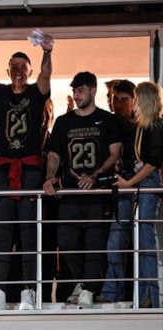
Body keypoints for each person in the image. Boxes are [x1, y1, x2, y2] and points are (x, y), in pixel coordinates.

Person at [0, 32, 54, 310]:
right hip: (3, 171)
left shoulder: (36, 93)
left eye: (23, 67)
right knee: (0, 232)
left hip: (30, 170)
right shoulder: (0, 93)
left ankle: (30, 291)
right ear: (7, 71)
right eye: (13, 67)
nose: (18, 71)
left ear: (29, 71)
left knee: (29, 232)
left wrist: (47, 52)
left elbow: (46, 75)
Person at [43, 71, 121, 307]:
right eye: (74, 91)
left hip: (96, 194)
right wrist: (50, 177)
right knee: (66, 240)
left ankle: (88, 288)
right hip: (70, 192)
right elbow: (54, 154)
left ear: (93, 90)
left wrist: (95, 176)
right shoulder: (64, 122)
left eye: (81, 90)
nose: (76, 95)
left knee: (95, 242)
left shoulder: (107, 120)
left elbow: (114, 153)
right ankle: (83, 282)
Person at [112, 81, 162, 308]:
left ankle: (149, 294)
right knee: (141, 239)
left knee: (145, 238)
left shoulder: (156, 126)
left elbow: (152, 162)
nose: (134, 105)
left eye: (137, 100)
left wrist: (129, 182)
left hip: (146, 182)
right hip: (141, 181)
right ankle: (144, 294)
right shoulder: (143, 126)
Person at [100, 80, 137, 303]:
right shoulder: (107, 123)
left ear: (134, 101)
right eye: (115, 99)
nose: (119, 104)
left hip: (138, 188)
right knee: (114, 243)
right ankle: (113, 292)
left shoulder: (143, 126)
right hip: (114, 190)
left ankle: (137, 293)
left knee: (139, 244)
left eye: (124, 100)